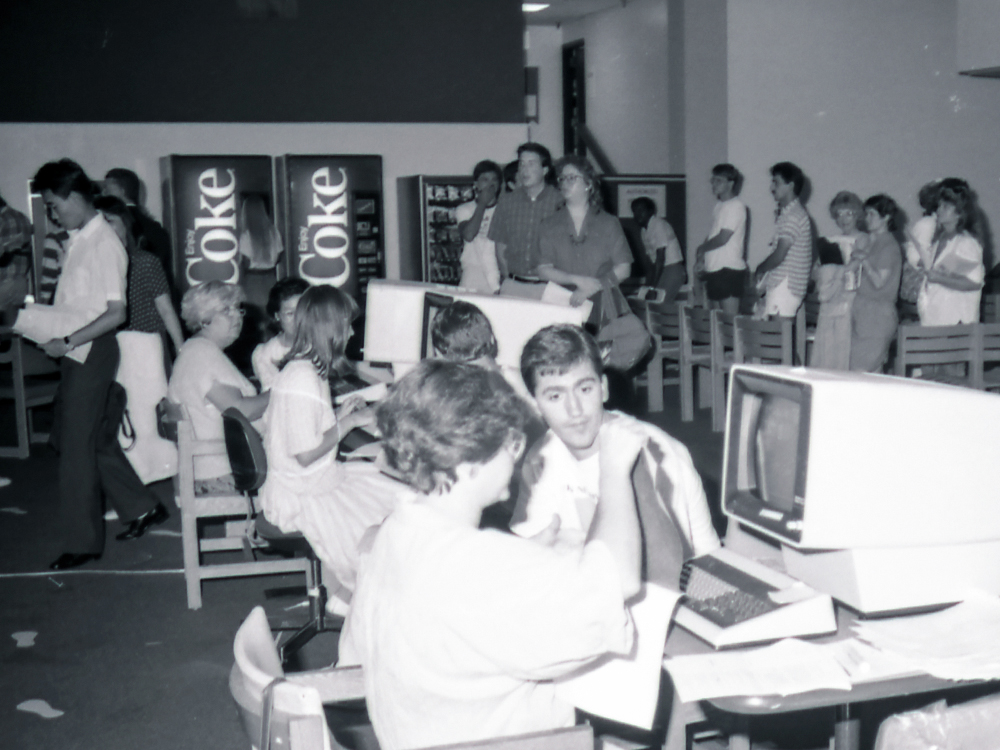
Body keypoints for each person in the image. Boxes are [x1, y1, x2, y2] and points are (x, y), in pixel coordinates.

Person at [340, 360, 641, 750]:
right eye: (512, 443)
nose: (515, 457)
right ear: (474, 454)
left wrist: (524, 558)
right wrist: (615, 470)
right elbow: (618, 583)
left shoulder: (393, 534)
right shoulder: (480, 566)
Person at [32, 159, 167, 570]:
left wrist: (68, 339)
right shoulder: (81, 239)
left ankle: (83, 542)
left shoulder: (104, 242)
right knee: (86, 439)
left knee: (74, 447)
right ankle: (141, 505)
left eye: (54, 204)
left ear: (74, 196)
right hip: (79, 348)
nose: (53, 213)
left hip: (90, 348)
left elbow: (116, 312)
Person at [510, 325, 719, 589]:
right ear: (535, 404)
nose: (574, 410)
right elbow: (531, 560)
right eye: (555, 396)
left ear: (603, 388)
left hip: (675, 591)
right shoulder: (541, 457)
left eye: (584, 389)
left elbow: (661, 575)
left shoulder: (654, 454)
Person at [259, 285, 404, 615]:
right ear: (331, 327)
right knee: (392, 525)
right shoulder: (303, 379)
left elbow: (305, 432)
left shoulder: (307, 369)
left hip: (312, 481)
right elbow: (305, 453)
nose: (352, 331)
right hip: (302, 495)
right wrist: (351, 423)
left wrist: (340, 416)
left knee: (393, 501)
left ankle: (345, 600)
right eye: (347, 323)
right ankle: (349, 605)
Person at [95, 196, 184, 485]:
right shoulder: (101, 263)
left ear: (125, 225)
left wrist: (182, 347)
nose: (106, 227)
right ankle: (137, 478)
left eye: (111, 220)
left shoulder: (145, 261)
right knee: (124, 413)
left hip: (147, 345)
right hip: (114, 345)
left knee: (149, 411)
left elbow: (165, 307)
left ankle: (163, 472)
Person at [168, 280, 269, 495]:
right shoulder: (204, 355)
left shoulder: (193, 350)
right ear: (204, 319)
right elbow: (241, 411)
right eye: (226, 310)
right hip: (224, 473)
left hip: (206, 469)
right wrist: (280, 392)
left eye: (237, 308)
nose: (237, 316)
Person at [536, 156, 632, 322]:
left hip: (603, 304)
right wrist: (576, 280)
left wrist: (590, 289)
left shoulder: (609, 223)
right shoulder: (549, 224)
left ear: (588, 184)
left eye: (572, 178)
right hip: (562, 302)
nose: (565, 183)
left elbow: (624, 268)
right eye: (562, 179)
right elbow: (543, 270)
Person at [810, 191, 868, 370]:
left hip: (851, 299)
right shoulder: (829, 241)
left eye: (849, 213)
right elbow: (815, 274)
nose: (844, 219)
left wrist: (839, 271)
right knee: (826, 348)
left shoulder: (863, 238)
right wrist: (821, 269)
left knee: (845, 348)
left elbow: (858, 267)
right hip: (829, 299)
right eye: (840, 214)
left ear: (857, 214)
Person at [488, 142, 563, 281]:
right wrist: (508, 279)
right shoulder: (507, 202)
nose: (524, 170)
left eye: (531, 164)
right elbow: (500, 247)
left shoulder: (560, 201)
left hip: (550, 286)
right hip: (515, 283)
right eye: (521, 164)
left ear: (545, 170)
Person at [915, 180, 984, 326]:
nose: (939, 210)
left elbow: (973, 283)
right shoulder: (939, 240)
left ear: (959, 213)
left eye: (945, 207)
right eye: (939, 205)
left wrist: (938, 278)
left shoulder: (966, 243)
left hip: (955, 321)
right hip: (934, 318)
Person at [849, 195, 902, 372]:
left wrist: (864, 260)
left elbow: (879, 282)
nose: (867, 219)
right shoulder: (872, 241)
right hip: (863, 310)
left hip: (877, 315)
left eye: (872, 214)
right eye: (867, 214)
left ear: (886, 217)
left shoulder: (889, 246)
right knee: (871, 374)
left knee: (859, 370)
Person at [754, 162, 813, 318]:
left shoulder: (793, 215)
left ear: (790, 186)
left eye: (776, 182)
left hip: (786, 286)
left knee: (778, 338)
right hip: (782, 284)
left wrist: (760, 268)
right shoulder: (789, 213)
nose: (771, 188)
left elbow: (779, 255)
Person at [103, 168, 173, 289]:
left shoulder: (109, 226)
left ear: (121, 191)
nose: (103, 193)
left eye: (107, 189)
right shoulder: (155, 228)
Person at [695, 164, 748, 316]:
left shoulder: (736, 206)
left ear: (730, 183)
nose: (713, 184)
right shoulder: (720, 206)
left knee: (729, 323)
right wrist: (701, 258)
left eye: (718, 181)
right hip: (714, 269)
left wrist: (702, 248)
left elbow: (723, 238)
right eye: (712, 180)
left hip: (729, 271)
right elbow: (712, 235)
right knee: (717, 322)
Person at [251, 277, 310, 390]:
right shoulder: (265, 354)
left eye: (303, 310)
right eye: (290, 313)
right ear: (277, 316)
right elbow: (272, 398)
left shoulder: (323, 342)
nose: (299, 319)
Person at [456, 160, 503, 294]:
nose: (490, 184)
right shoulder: (465, 209)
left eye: (494, 179)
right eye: (485, 180)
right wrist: (482, 203)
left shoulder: (505, 209)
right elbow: (469, 235)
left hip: (498, 271)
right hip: (473, 272)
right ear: (476, 184)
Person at [631, 196, 685, 305]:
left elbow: (660, 259)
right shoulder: (644, 231)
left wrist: (652, 288)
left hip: (672, 269)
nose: (637, 214)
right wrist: (647, 287)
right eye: (634, 211)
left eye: (641, 210)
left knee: (659, 306)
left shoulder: (659, 225)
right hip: (660, 271)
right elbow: (652, 264)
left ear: (650, 211)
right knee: (647, 304)